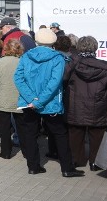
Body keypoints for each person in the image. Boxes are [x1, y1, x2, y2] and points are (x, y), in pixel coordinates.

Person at [14, 27, 82, 177]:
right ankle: (67, 168)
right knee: (60, 134)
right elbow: (54, 82)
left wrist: (32, 99)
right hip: (49, 103)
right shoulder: (58, 58)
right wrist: (38, 101)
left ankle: (33, 166)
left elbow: (18, 78)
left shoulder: (26, 56)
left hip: (29, 102)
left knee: (30, 134)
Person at [63, 36, 107, 171]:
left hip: (76, 105)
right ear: (95, 48)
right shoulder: (106, 67)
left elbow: (63, 80)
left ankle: (77, 160)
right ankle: (95, 162)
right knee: (97, 136)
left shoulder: (72, 64)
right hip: (99, 106)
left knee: (76, 134)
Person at [0, 38, 23, 159]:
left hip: (2, 98)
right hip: (20, 98)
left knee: (4, 127)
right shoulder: (23, 62)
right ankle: (27, 151)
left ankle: (6, 152)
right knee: (22, 126)